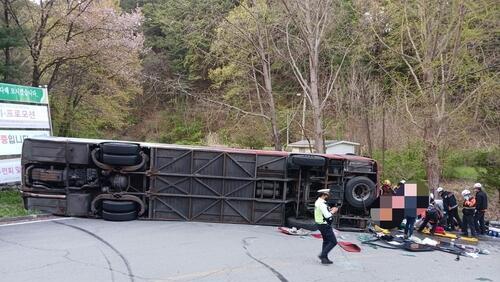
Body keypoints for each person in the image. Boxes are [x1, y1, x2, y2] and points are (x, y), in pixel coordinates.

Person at [314, 188, 338, 265]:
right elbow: (327, 216)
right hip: (324, 225)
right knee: (333, 241)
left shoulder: (318, 202)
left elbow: (323, 213)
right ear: (323, 195)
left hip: (320, 224)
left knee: (326, 241)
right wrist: (333, 211)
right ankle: (322, 255)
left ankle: (324, 259)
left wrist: (329, 210)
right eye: (327, 195)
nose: (328, 196)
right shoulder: (322, 204)